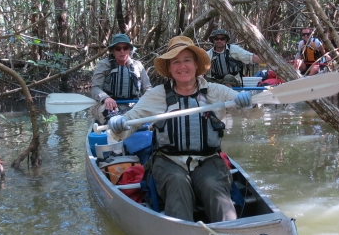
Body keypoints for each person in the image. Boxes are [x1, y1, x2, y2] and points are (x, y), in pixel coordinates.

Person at [107, 36, 262, 222]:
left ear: (196, 64)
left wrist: (250, 104)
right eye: (176, 62)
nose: (182, 67)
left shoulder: (217, 91)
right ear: (170, 68)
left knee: (214, 186)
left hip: (208, 159)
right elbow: (129, 122)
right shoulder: (157, 95)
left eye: (187, 60)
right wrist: (117, 124)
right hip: (168, 161)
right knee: (178, 183)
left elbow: (254, 114)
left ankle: (229, 233)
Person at [90, 33, 152, 124]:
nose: (122, 51)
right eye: (118, 49)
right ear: (113, 51)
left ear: (129, 50)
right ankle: (115, 126)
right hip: (108, 105)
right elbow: (95, 88)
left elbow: (147, 88)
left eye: (125, 48)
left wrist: (152, 98)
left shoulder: (138, 66)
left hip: (133, 104)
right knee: (109, 114)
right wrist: (106, 98)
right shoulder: (103, 65)